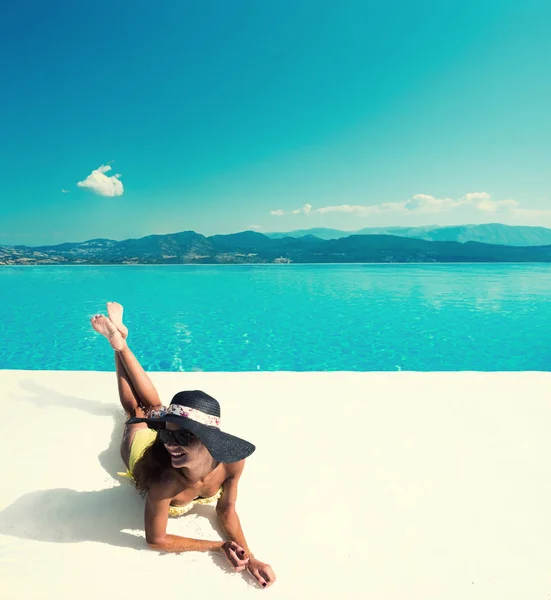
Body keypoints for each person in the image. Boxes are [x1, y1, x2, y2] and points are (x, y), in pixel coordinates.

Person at [91, 302, 276, 588]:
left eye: (184, 436)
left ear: (211, 440)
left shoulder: (233, 464)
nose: (171, 444)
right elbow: (156, 540)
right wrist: (216, 546)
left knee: (153, 406)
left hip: (163, 448)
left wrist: (250, 558)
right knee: (137, 413)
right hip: (141, 448)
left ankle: (121, 341)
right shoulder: (164, 481)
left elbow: (226, 510)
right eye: (167, 433)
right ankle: (118, 345)